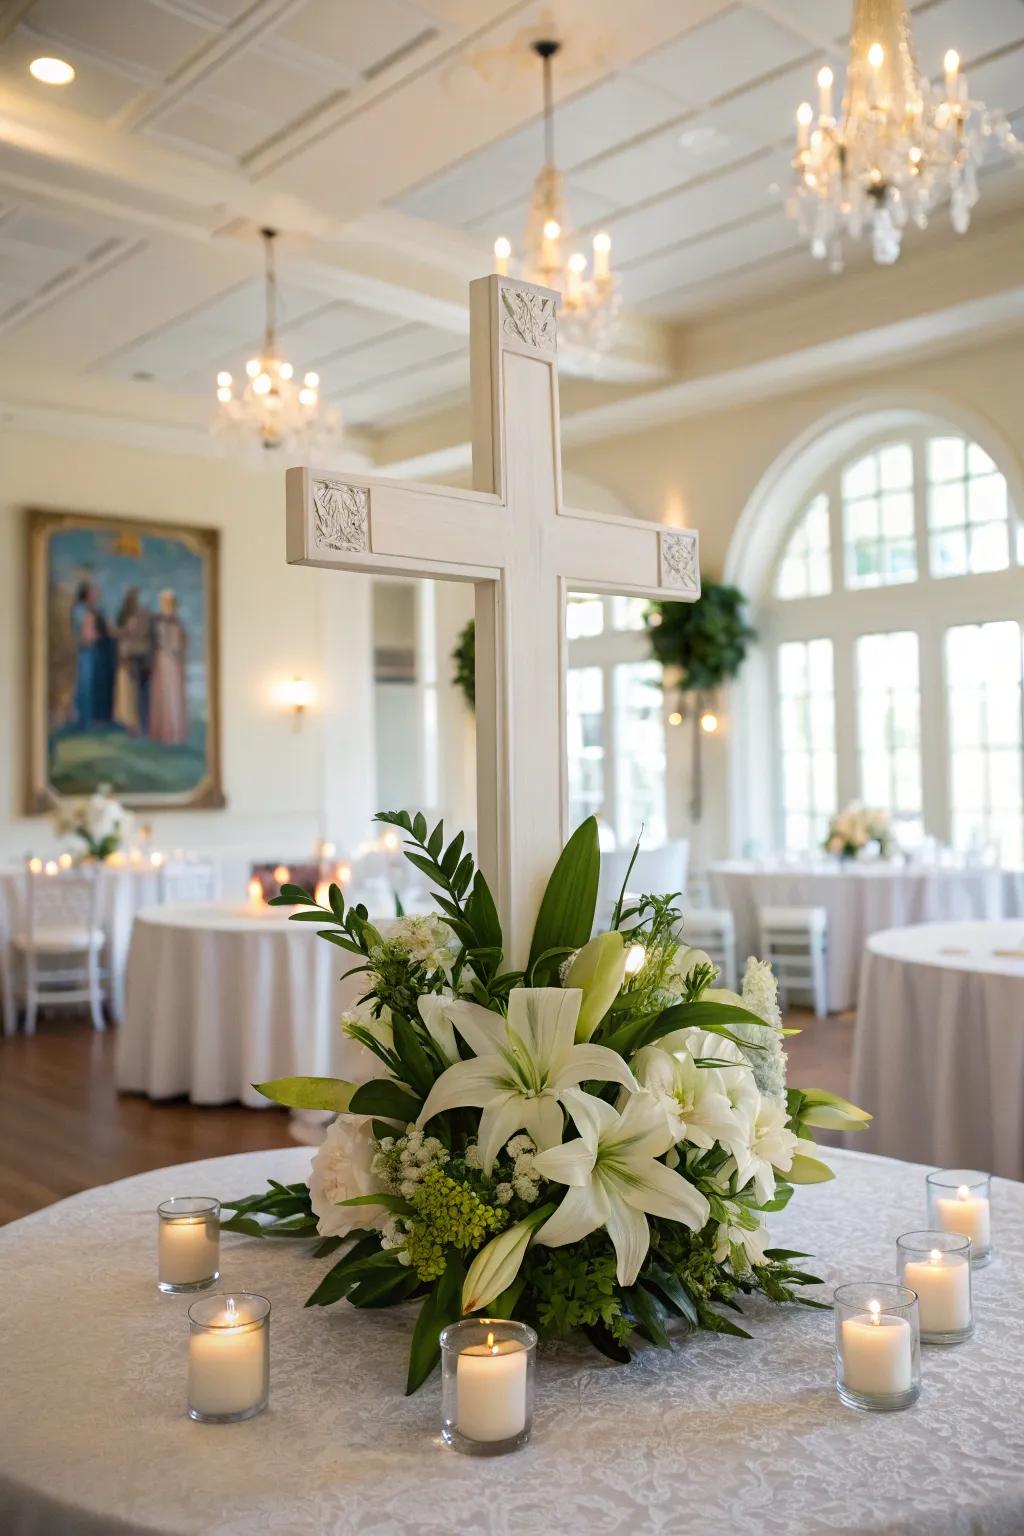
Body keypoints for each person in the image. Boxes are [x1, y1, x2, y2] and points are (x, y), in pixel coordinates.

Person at [148, 588, 188, 745]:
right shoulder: (158, 621)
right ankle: (161, 732)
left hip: (173, 662)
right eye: (164, 602)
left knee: (173, 695)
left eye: (169, 602)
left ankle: (173, 733)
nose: (166, 605)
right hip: (161, 661)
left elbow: (180, 643)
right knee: (162, 695)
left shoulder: (176, 622)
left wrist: (175, 651)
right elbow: (156, 641)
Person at [113, 587, 153, 736]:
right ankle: (130, 724)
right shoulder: (124, 614)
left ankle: (138, 725)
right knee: (127, 692)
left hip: (138, 656)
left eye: (135, 597)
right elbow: (122, 635)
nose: (134, 600)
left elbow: (142, 635)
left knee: (137, 693)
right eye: (132, 597)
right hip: (126, 656)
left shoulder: (142, 614)